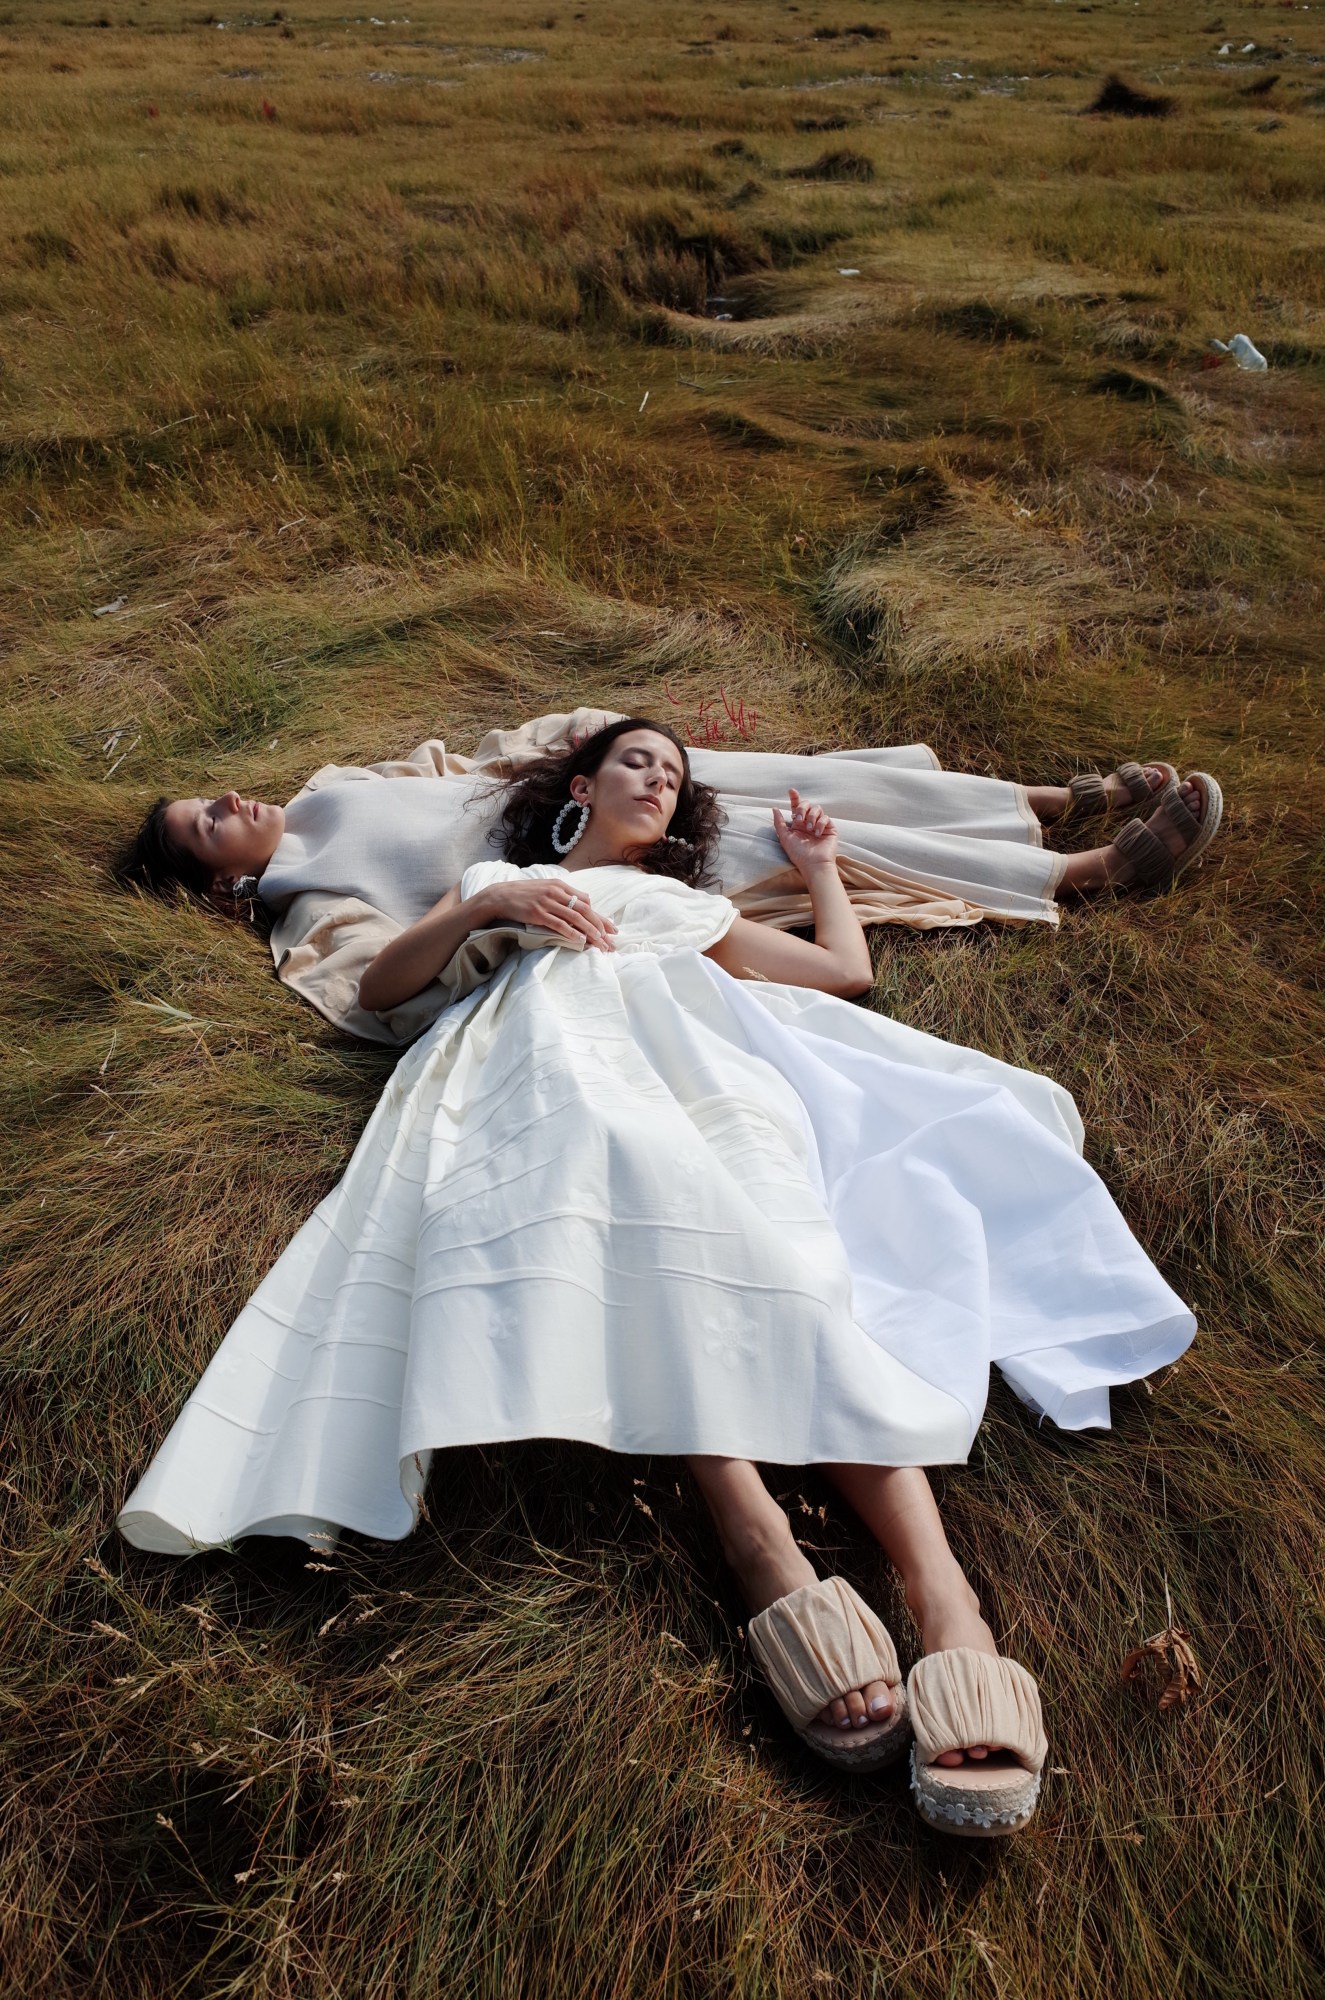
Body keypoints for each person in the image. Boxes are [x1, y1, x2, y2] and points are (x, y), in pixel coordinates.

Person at [118, 719, 1197, 1840]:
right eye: (637, 761)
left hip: (700, 1070)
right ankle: (753, 1532)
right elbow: (389, 987)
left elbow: (845, 972)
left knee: (787, 1251)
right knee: (633, 1190)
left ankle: (942, 1594)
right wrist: (487, 907)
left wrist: (821, 868)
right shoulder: (498, 879)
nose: (659, 779)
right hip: (543, 1065)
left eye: (674, 776)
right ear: (578, 786)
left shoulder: (688, 907)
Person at [113, 714, 1223, 1047]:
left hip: (576, 790)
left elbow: (453, 764)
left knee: (787, 777)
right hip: (582, 868)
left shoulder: (325, 779)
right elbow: (383, 994)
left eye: (208, 794)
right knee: (791, 848)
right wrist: (501, 904)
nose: (226, 804)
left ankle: (1041, 798)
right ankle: (1081, 872)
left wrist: (579, 745)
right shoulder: (308, 909)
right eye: (204, 827)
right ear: (216, 886)